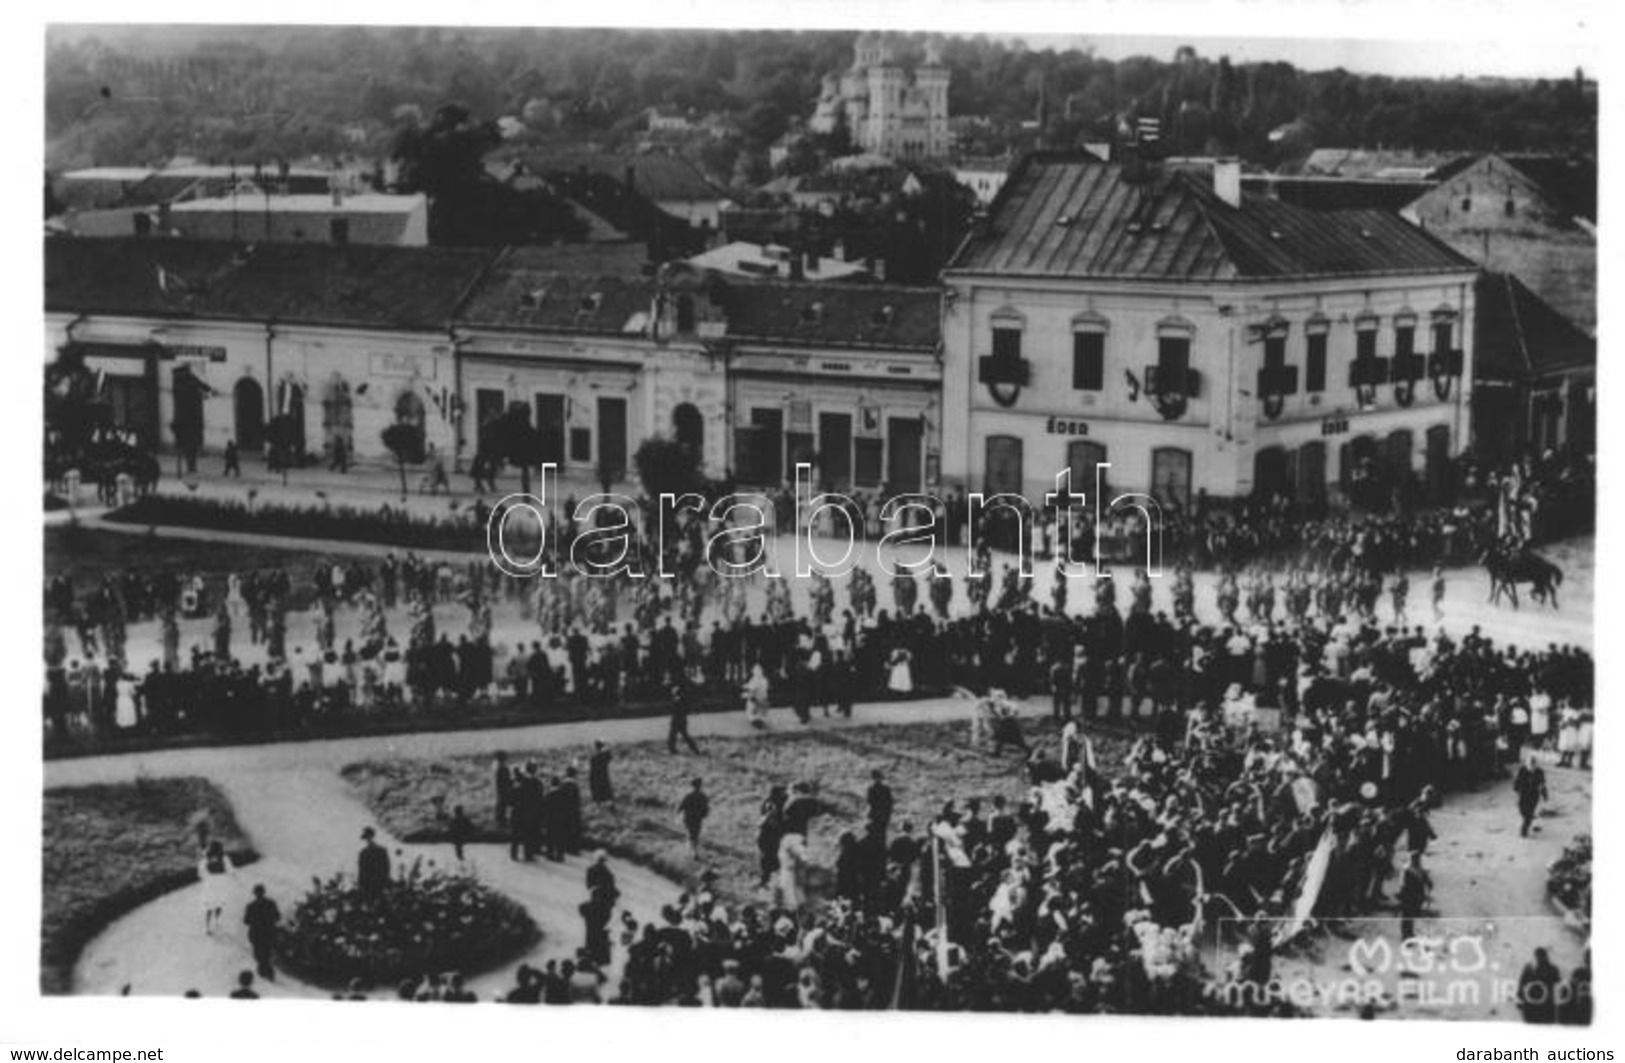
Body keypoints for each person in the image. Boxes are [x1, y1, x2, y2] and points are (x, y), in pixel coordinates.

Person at [243, 884, 281, 981]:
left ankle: (265, 971)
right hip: (268, 933)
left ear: (255, 894)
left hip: (257, 935)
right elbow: (278, 917)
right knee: (267, 954)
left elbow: (246, 921)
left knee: (259, 955)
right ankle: (267, 971)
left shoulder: (251, 906)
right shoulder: (271, 903)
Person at [198, 840, 235, 935]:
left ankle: (215, 921)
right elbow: (201, 871)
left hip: (220, 882)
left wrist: (229, 875)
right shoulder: (206, 859)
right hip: (212, 883)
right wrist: (208, 878)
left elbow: (230, 869)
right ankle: (208, 927)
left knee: (219, 903)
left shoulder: (224, 858)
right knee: (210, 905)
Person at [1517, 947, 1562, 1024]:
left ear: (1535, 957)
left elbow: (1520, 992)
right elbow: (1558, 985)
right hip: (1548, 1010)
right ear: (1546, 957)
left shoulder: (1529, 970)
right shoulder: (1553, 969)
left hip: (1531, 1010)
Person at [1396, 850, 1430, 942]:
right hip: (1409, 897)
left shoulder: (1420, 870)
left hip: (1417, 897)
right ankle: (1405, 936)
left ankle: (1409, 933)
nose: (1417, 861)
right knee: (1407, 917)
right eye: (1415, 860)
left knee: (1411, 916)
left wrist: (1428, 884)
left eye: (1418, 860)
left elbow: (1427, 881)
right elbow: (1402, 885)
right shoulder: (1407, 871)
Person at [1513, 755, 1548, 838]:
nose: (1531, 767)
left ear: (1536, 764)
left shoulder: (1540, 772)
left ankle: (1524, 828)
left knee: (1529, 813)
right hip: (1523, 794)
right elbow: (1517, 781)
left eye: (1533, 765)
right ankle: (1527, 819)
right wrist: (1516, 788)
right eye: (1530, 765)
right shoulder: (1522, 770)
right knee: (1522, 810)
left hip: (1533, 795)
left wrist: (1544, 794)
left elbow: (1542, 784)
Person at [678, 778, 710, 860]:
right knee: (695, 835)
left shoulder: (688, 795)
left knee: (690, 835)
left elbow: (681, 806)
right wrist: (703, 815)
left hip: (688, 818)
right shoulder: (703, 796)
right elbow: (706, 810)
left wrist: (679, 813)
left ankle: (691, 852)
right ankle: (693, 853)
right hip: (697, 819)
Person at [668, 680, 701, 755]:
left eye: (674, 691)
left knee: (677, 735)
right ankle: (694, 749)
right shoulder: (679, 699)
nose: (672, 692)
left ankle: (694, 749)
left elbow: (676, 709)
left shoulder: (679, 699)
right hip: (680, 719)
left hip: (678, 720)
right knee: (677, 735)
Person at [357, 826, 391, 896]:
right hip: (368, 885)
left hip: (377, 883)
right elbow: (361, 871)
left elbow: (386, 868)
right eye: (367, 838)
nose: (368, 839)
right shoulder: (363, 853)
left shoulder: (381, 851)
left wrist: (385, 883)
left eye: (369, 837)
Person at [588, 740, 615, 805]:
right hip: (604, 777)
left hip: (596, 778)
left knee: (598, 796)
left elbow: (592, 770)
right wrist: (606, 746)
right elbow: (610, 755)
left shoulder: (593, 758)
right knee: (606, 794)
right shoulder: (604, 756)